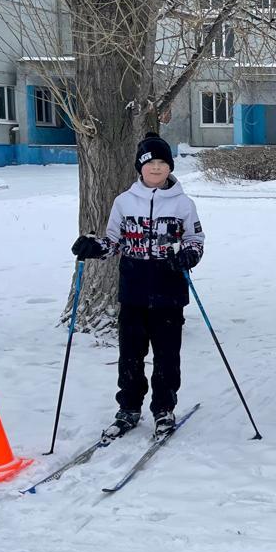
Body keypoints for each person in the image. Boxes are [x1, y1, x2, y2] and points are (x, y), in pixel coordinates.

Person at [71, 132, 205, 437]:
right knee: (130, 354)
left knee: (167, 356)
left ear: (170, 167)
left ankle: (163, 408)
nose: (156, 168)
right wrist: (95, 248)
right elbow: (114, 242)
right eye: (150, 163)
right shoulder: (124, 201)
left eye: (162, 163)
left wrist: (188, 256)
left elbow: (196, 240)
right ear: (139, 168)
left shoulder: (183, 204)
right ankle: (129, 408)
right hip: (133, 289)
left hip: (170, 289)